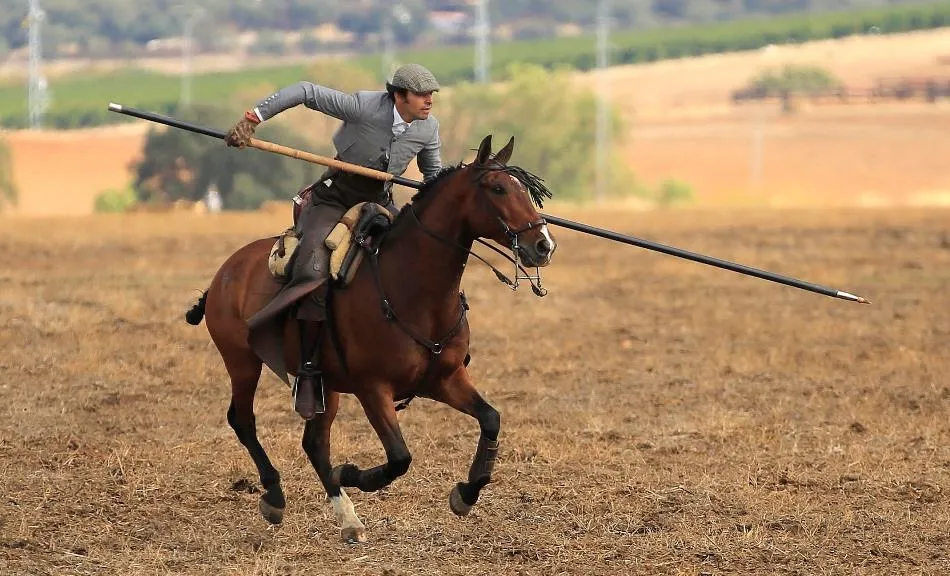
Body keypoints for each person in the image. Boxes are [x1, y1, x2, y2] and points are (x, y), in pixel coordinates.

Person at [224, 63, 443, 420]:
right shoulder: (362, 106)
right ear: (399, 96)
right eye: (422, 94)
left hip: (380, 203)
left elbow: (433, 176)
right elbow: (304, 91)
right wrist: (253, 117)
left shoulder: (429, 128)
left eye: (432, 94)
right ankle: (309, 370)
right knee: (314, 266)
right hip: (334, 198)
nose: (429, 101)